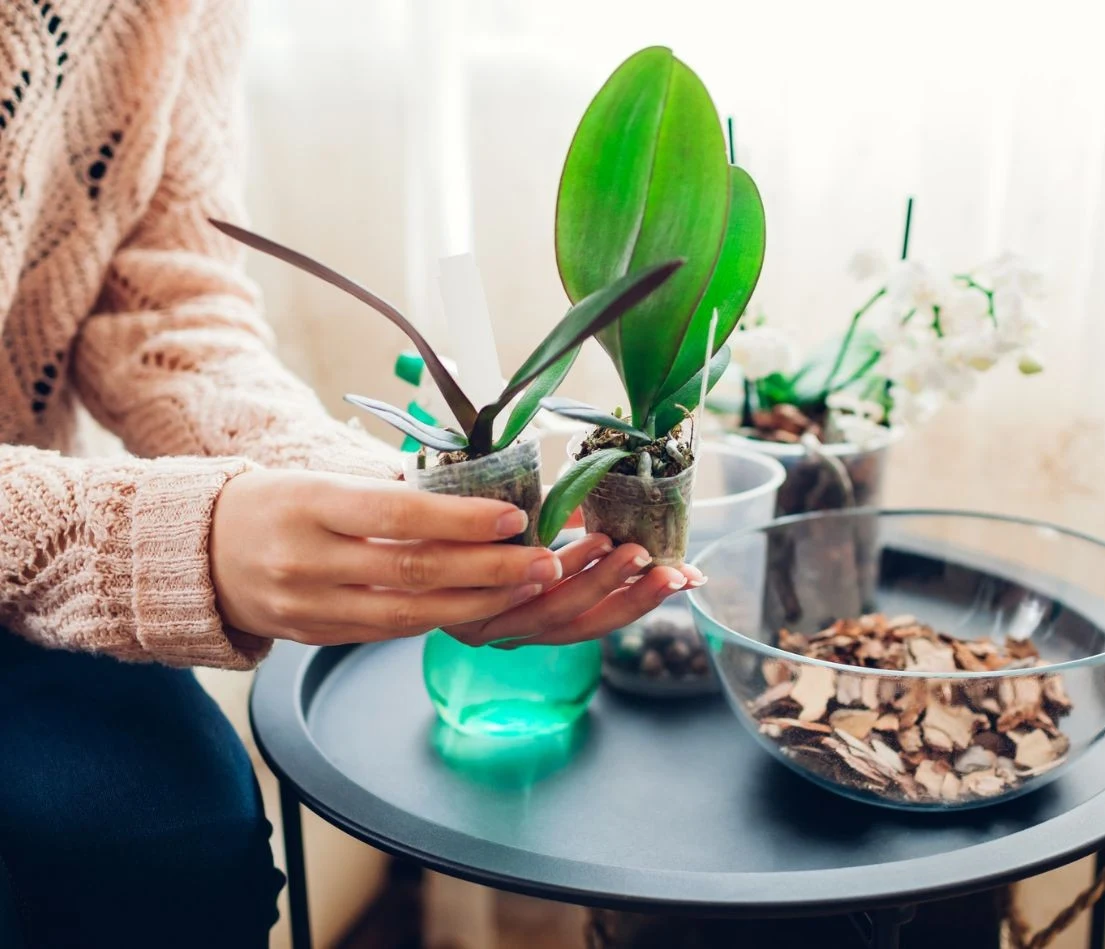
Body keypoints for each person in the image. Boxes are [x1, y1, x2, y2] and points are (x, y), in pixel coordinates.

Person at [0, 3, 699, 946]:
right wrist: (163, 542)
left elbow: (163, 300)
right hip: (46, 550)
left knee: (183, 846)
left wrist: (384, 501)